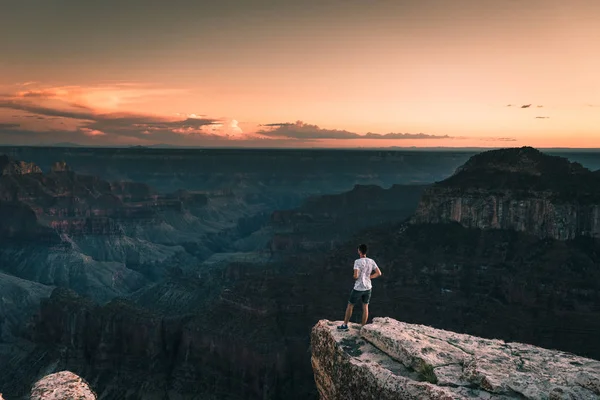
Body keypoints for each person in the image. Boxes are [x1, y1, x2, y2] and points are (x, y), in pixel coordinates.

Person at [337, 243, 382, 331]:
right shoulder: (371, 261)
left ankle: (345, 325)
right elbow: (379, 273)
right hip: (368, 287)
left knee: (350, 305)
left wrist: (354, 276)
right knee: (365, 306)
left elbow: (356, 275)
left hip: (358, 288)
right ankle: (363, 327)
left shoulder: (357, 262)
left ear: (359, 251)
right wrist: (370, 277)